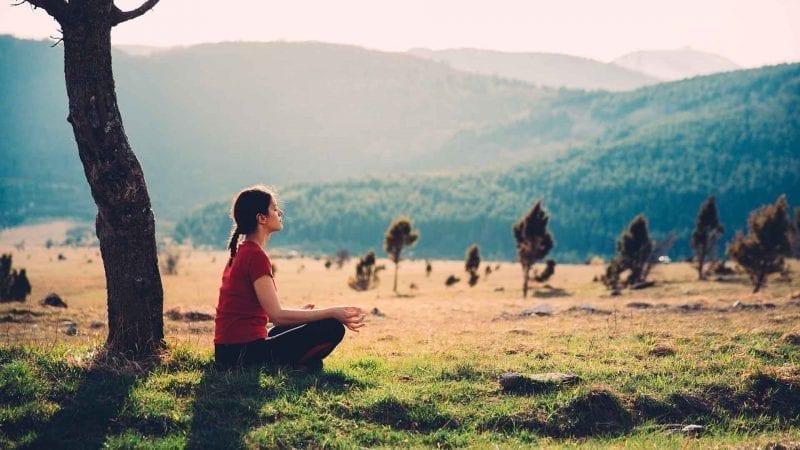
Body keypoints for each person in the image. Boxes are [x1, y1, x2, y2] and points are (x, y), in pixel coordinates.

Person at [214, 185, 365, 371]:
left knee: (306, 324)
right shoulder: (255, 256)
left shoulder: (239, 252)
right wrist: (332, 312)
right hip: (245, 355)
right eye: (274, 208)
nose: (280, 212)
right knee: (331, 327)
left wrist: (302, 316)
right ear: (261, 218)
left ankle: (301, 362)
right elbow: (277, 316)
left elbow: (264, 314)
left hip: (228, 352)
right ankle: (296, 365)